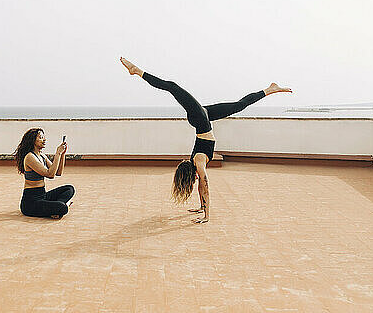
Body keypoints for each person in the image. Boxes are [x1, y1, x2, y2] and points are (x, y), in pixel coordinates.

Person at [120, 57, 292, 223]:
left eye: (193, 179)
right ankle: (270, 90)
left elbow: (205, 187)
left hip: (201, 119)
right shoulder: (196, 162)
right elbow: (203, 187)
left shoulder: (198, 162)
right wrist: (203, 210)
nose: (196, 180)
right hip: (203, 118)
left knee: (173, 87)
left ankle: (137, 71)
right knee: (239, 105)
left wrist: (206, 213)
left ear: (191, 175)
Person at [14, 128, 75, 219]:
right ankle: (60, 206)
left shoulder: (42, 155)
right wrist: (57, 153)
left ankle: (56, 207)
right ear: (33, 140)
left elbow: (58, 172)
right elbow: (50, 174)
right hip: (31, 202)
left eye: (44, 137)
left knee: (69, 189)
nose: (44, 140)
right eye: (41, 137)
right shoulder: (30, 157)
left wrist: (62, 155)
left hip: (42, 195)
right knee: (63, 208)